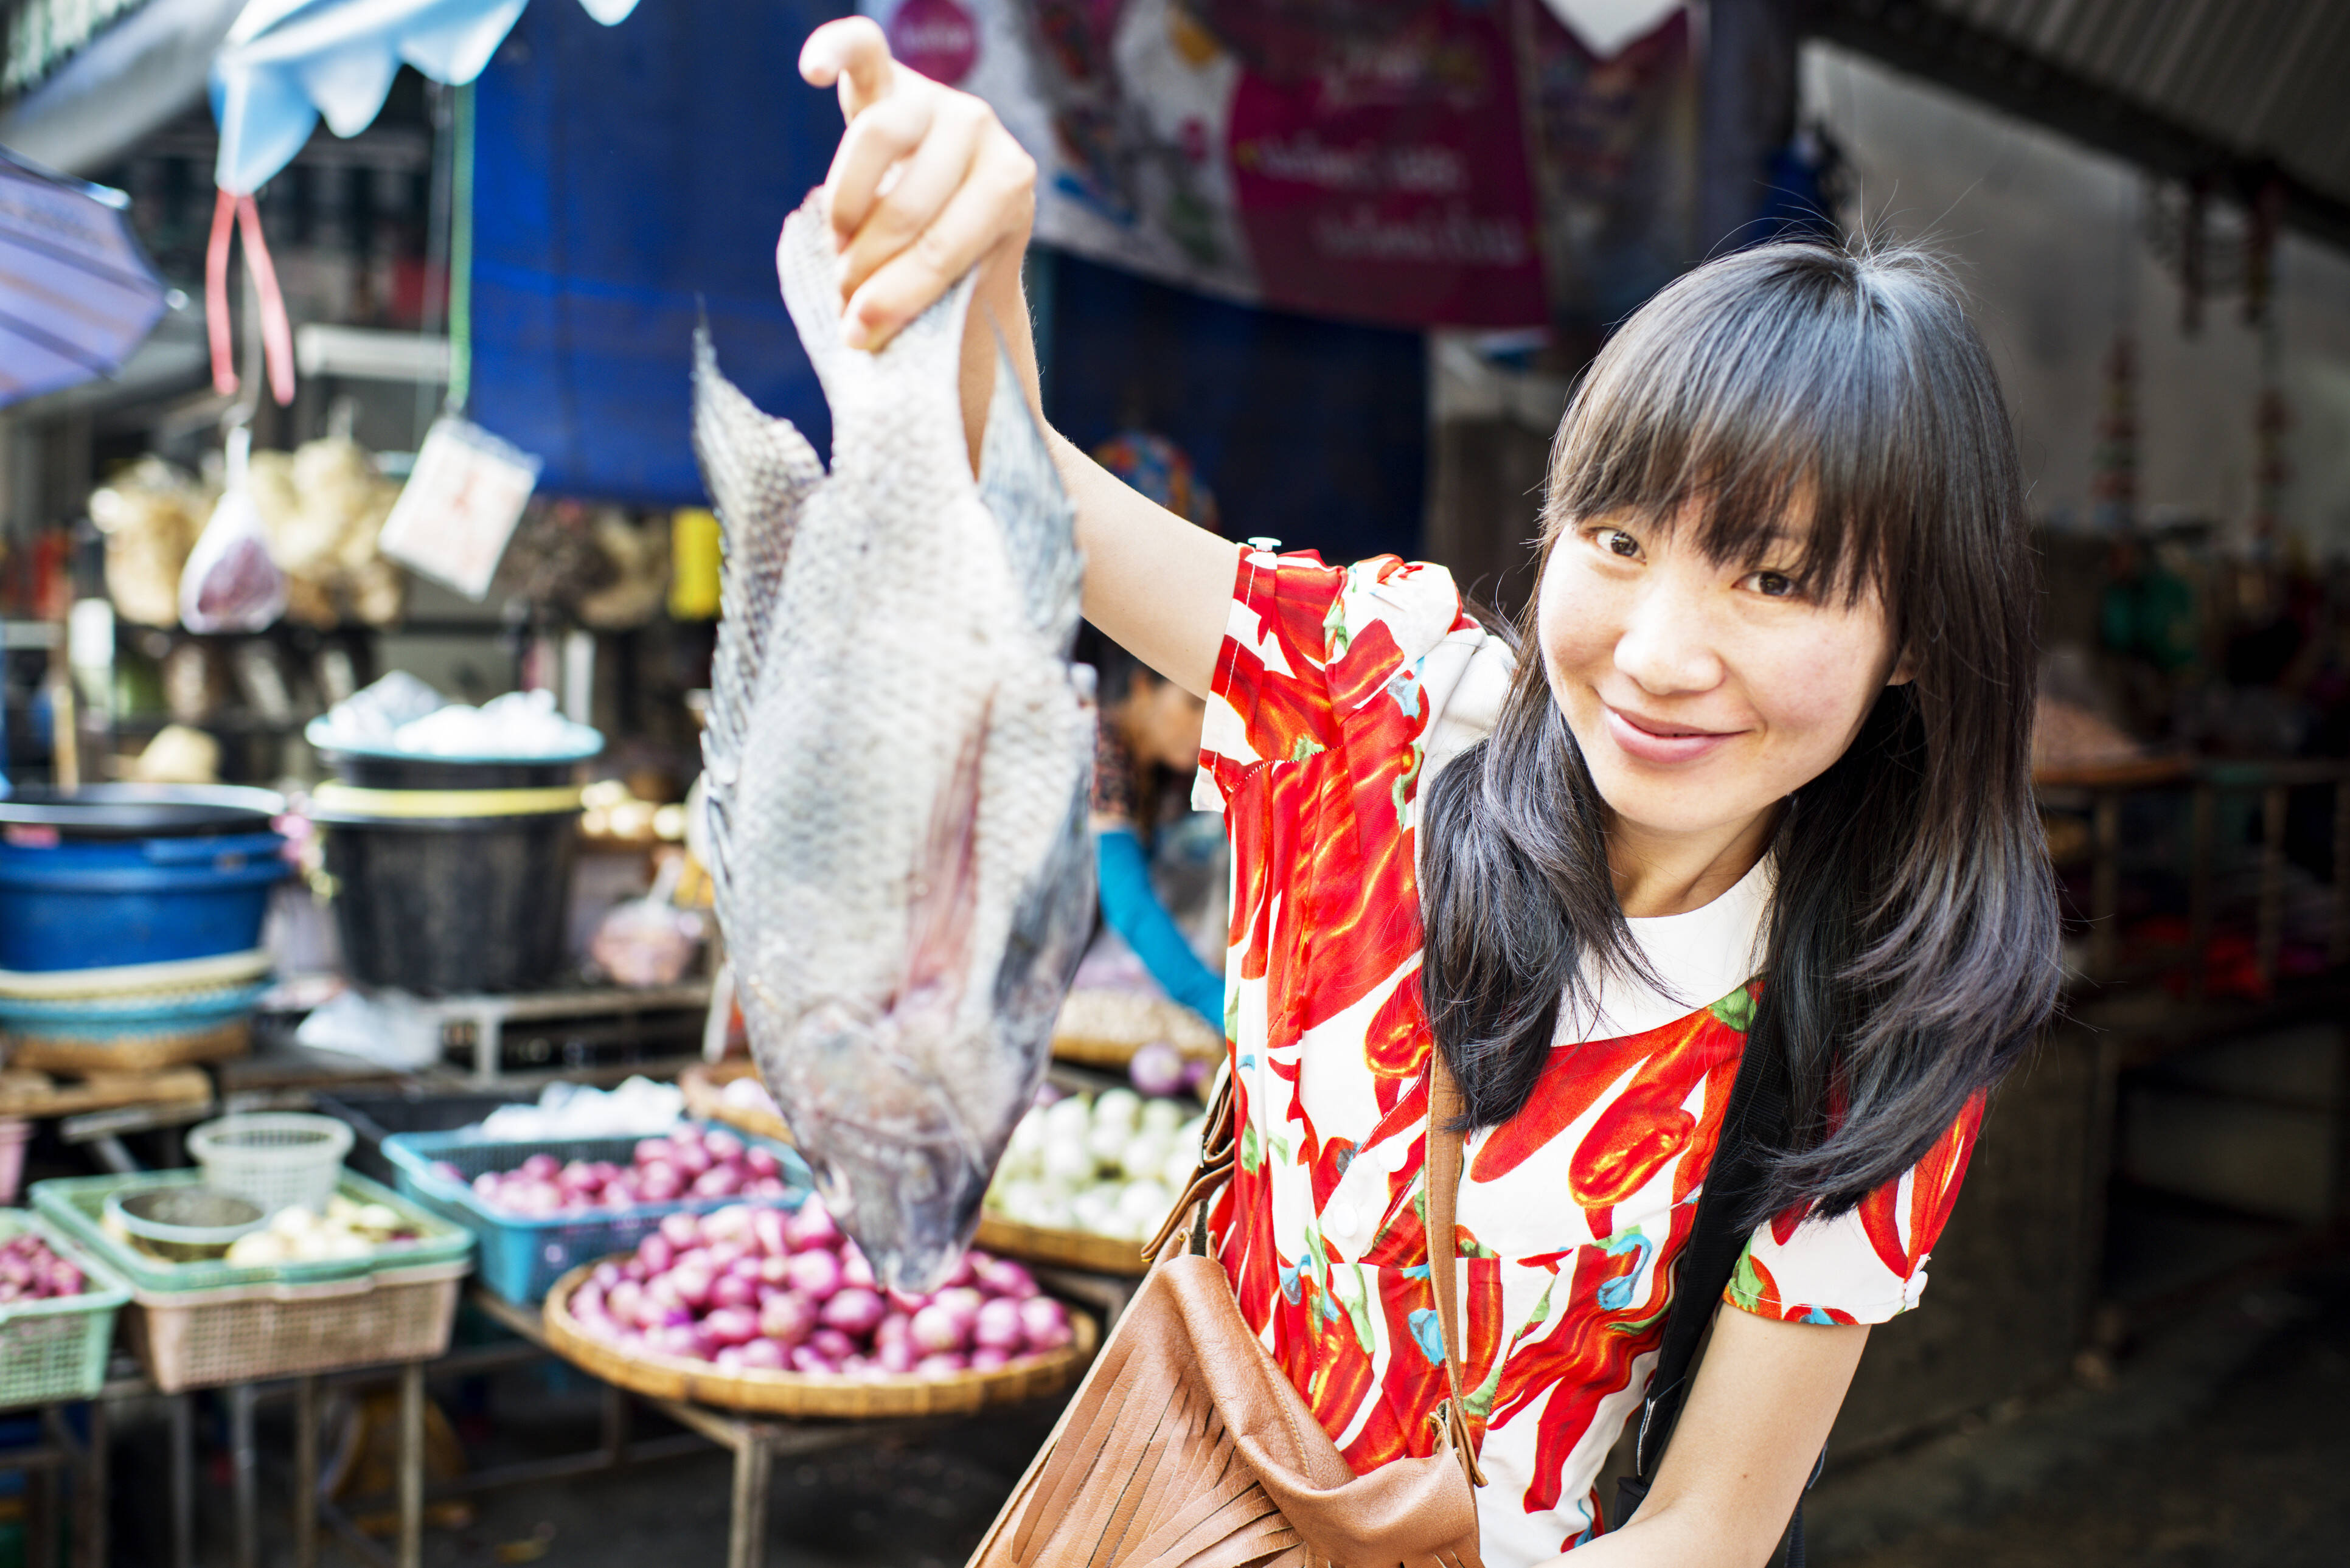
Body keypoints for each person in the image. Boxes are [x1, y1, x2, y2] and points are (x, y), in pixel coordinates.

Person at [795, 19, 2060, 1567]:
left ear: (1915, 638)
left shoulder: (1876, 1020)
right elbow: (1020, 492)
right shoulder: (1385, 705)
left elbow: (1707, 1532)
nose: (1657, 655)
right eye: (1615, 540)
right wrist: (973, 262)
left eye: (1775, 578)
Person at [1081, 432, 1228, 1027]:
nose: (1204, 730)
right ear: (1142, 686)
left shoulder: (1163, 780)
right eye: (1193, 706)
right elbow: (1129, 906)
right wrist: (1214, 1004)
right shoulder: (1091, 735)